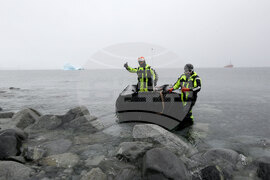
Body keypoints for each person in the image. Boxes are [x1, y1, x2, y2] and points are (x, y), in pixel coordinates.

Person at [168, 64, 201, 129]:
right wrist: (172, 88)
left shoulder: (196, 77)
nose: (188, 72)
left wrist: (188, 89)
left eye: (189, 71)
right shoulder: (182, 76)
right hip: (183, 97)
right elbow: (177, 84)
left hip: (191, 98)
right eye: (186, 71)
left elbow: (198, 88)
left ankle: (182, 126)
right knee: (188, 111)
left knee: (186, 110)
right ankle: (190, 122)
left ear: (192, 70)